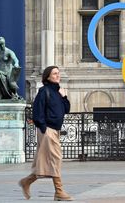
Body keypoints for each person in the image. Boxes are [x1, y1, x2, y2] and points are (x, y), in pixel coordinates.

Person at [19, 66, 73, 201]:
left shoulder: (58, 92)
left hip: (55, 130)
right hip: (48, 129)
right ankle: (59, 191)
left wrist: (64, 96)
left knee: (45, 162)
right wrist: (43, 128)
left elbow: (66, 110)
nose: (58, 75)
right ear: (48, 77)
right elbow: (37, 111)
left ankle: (27, 181)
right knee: (56, 158)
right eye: (54, 73)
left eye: (58, 73)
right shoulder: (44, 91)